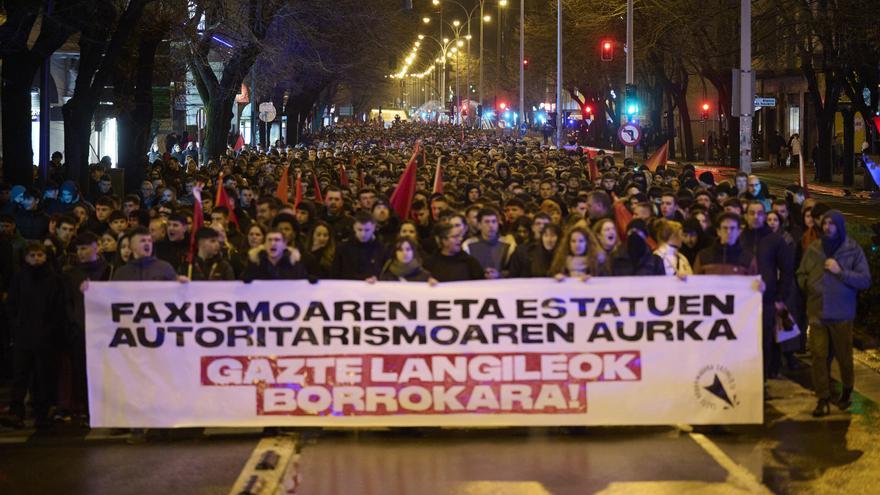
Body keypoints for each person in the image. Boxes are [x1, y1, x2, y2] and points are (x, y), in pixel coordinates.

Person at [797, 210, 871, 417]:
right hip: (818, 311)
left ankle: (847, 389)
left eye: (832, 223)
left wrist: (842, 272)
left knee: (843, 356)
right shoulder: (814, 249)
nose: (828, 227)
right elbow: (801, 273)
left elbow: (865, 280)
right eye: (825, 223)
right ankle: (822, 398)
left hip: (842, 312)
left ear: (840, 226)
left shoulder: (852, 250)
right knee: (819, 355)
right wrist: (808, 285)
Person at [4, 242, 66, 428]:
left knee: (43, 376)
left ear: (46, 257)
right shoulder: (20, 278)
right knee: (20, 375)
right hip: (24, 335)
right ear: (25, 257)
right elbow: (12, 305)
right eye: (32, 255)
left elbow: (58, 309)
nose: (36, 259)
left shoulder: (54, 279)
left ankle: (42, 412)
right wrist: (16, 327)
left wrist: (51, 330)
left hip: (46, 337)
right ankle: (17, 412)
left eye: (40, 255)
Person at [742, 201, 795, 380]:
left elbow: (787, 270)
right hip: (742, 302)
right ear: (746, 215)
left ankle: (762, 380)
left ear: (764, 216)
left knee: (765, 342)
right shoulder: (740, 237)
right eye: (751, 213)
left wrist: (780, 296)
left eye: (759, 213)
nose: (755, 217)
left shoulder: (774, 240)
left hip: (767, 300)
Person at [693, 213, 758, 275]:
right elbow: (695, 282)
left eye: (732, 228)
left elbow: (753, 283)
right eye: (725, 228)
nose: (728, 232)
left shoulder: (748, 258)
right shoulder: (703, 256)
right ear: (718, 231)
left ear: (738, 231)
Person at [332, 211, 386, 280]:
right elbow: (334, 275)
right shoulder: (343, 248)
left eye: (367, 230)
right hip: (348, 289)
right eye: (359, 230)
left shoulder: (382, 249)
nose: (363, 234)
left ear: (373, 227)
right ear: (354, 227)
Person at [111, 227, 179, 281]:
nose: (147, 243)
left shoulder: (165, 268)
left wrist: (182, 283)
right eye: (143, 241)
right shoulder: (121, 273)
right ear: (132, 246)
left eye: (149, 241)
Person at [241, 229, 309, 281]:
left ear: (284, 244)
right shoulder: (254, 266)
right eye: (269, 240)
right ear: (264, 244)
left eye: (277, 240)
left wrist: (310, 283)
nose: (273, 243)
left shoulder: (296, 267)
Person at [465, 208, 512, 279]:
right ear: (479, 225)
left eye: (494, 222)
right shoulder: (468, 245)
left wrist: (499, 274)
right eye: (487, 222)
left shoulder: (508, 244)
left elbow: (513, 270)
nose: (491, 225)